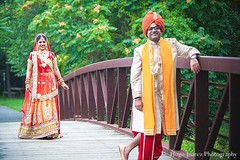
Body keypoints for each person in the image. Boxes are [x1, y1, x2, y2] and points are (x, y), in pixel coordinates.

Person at [118, 11, 201, 160]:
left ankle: (129, 149)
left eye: (156, 27)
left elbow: (189, 50)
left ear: (161, 29)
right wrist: (137, 97)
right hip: (145, 100)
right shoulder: (139, 51)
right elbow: (135, 76)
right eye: (150, 28)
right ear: (146, 32)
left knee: (158, 139)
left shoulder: (172, 44)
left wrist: (193, 58)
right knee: (148, 137)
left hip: (165, 98)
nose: (154, 30)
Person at [18, 33, 69, 139]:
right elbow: (29, 70)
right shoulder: (33, 55)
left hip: (50, 85)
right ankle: (39, 132)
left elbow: (55, 69)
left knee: (49, 107)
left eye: (43, 42)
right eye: (40, 42)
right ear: (36, 43)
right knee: (39, 107)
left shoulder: (51, 55)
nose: (42, 44)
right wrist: (27, 83)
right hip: (37, 86)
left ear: (47, 42)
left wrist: (61, 82)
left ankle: (51, 132)